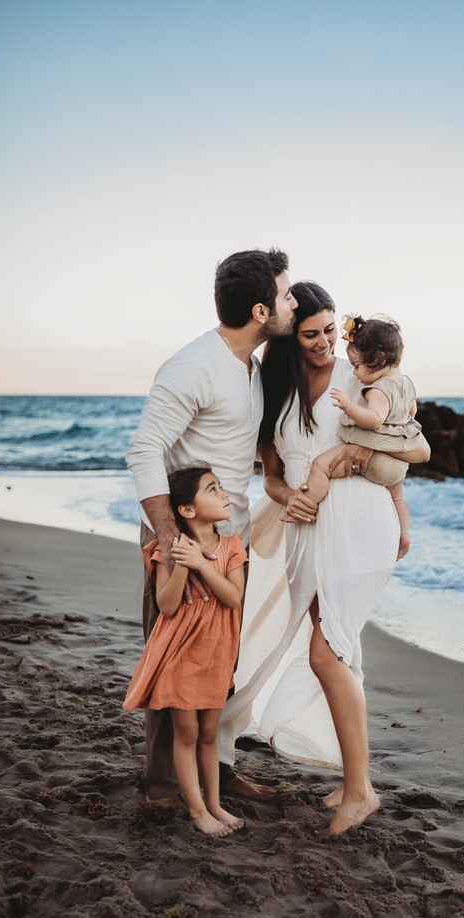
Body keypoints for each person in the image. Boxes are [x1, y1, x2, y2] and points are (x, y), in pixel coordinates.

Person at [217, 281, 431, 836]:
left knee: (326, 652)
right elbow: (270, 478)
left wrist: (359, 459)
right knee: (339, 650)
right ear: (288, 339)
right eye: (310, 334)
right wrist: (296, 498)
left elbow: (418, 448)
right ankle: (347, 772)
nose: (324, 344)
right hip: (307, 534)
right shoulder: (275, 391)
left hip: (359, 527)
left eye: (331, 332)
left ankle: (360, 792)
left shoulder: (358, 378)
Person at [127, 248, 297, 808]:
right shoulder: (193, 366)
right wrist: (170, 543)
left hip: (228, 543)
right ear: (259, 311)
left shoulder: (248, 367)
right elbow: (144, 451)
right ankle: (163, 788)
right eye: (284, 295)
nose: (290, 303)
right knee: (171, 660)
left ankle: (214, 771)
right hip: (183, 540)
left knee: (217, 659)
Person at [124, 466, 247, 837]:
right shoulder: (168, 551)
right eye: (213, 489)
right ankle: (196, 810)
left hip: (216, 654)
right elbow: (167, 605)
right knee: (187, 734)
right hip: (179, 655)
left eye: (221, 487)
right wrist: (181, 564)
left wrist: (202, 566)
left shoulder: (233, 546)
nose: (224, 494)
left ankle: (214, 804)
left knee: (210, 734)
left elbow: (232, 597)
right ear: (188, 510)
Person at [282, 313, 421, 559]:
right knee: (397, 496)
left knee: (321, 466)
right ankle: (405, 534)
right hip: (397, 467)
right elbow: (411, 414)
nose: (355, 373)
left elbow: (374, 419)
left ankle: (307, 504)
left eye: (357, 366)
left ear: (377, 360)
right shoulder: (407, 384)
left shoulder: (378, 389)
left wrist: (349, 406)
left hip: (372, 459)